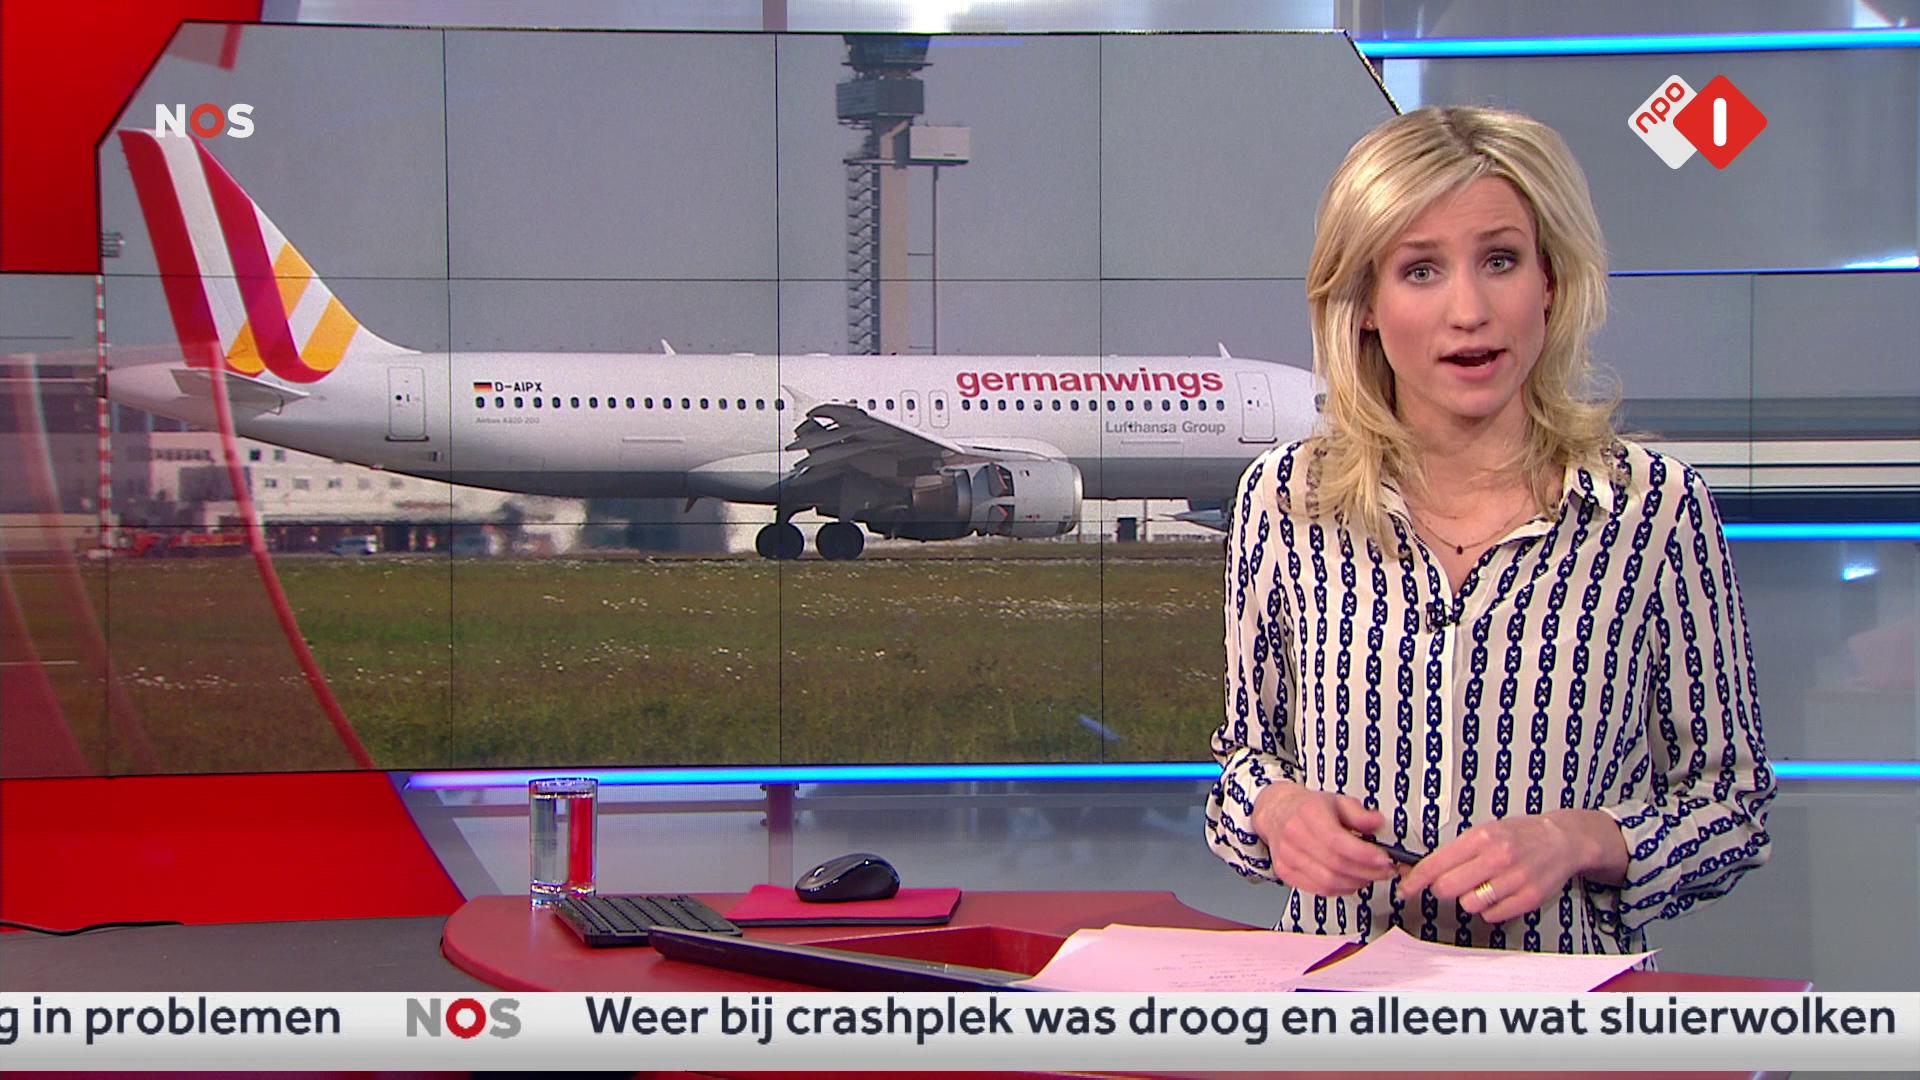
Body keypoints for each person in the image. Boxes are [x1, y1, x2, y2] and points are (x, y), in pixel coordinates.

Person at [1205, 106, 1774, 955]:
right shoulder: (1286, 501)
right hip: (1339, 997)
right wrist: (1279, 813)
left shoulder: (1654, 510)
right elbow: (1242, 773)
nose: (1468, 310)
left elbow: (1731, 808)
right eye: (1421, 270)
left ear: (1551, 282)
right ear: (1364, 303)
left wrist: (1581, 839)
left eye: (1500, 261)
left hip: (1562, 1010)